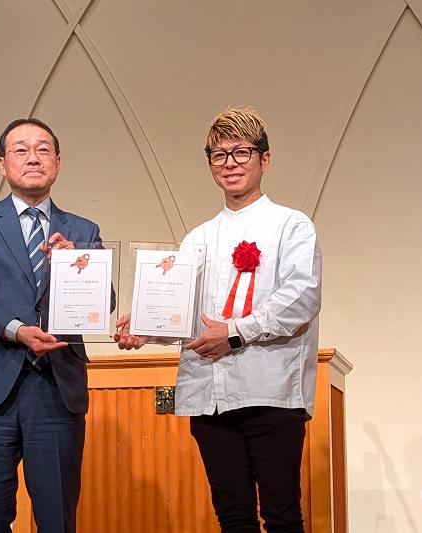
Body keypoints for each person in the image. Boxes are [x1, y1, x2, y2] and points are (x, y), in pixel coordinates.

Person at [116, 107, 322, 533]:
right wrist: (146, 326)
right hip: (210, 396)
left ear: (264, 160)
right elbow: (185, 312)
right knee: (232, 518)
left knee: (283, 516)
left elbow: (301, 298)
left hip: (270, 391)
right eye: (218, 155)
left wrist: (234, 332)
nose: (230, 163)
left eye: (241, 152)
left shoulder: (291, 225)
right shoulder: (199, 237)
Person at [0, 118, 103, 532]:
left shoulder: (82, 230)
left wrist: (77, 269)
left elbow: (101, 306)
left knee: (57, 516)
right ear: (3, 164)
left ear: (58, 161)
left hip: (56, 390)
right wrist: (17, 329)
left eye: (43, 149)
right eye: (20, 149)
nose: (32, 157)